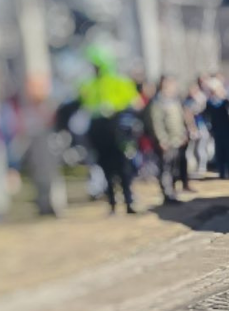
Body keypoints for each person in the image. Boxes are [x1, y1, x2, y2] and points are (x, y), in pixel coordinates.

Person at [79, 44, 141, 214]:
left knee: (124, 168)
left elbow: (135, 103)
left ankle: (129, 201)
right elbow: (84, 105)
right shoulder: (88, 84)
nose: (95, 68)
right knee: (106, 168)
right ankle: (113, 202)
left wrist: (117, 109)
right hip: (99, 130)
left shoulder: (120, 81)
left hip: (118, 129)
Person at [144, 76, 189, 204]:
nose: (173, 87)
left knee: (175, 169)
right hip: (166, 143)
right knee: (166, 170)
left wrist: (183, 134)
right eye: (170, 84)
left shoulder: (174, 101)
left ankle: (173, 192)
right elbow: (156, 122)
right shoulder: (158, 102)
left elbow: (179, 120)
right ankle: (168, 194)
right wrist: (161, 140)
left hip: (177, 140)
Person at [205, 79, 229, 179]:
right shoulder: (210, 103)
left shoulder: (226, 101)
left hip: (227, 130)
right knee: (220, 153)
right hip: (217, 131)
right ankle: (222, 173)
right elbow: (207, 117)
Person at [183, 79, 211, 178]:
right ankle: (194, 169)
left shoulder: (201, 99)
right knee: (193, 150)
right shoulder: (187, 101)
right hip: (191, 128)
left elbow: (201, 110)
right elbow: (186, 113)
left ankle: (202, 168)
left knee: (200, 149)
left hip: (201, 127)